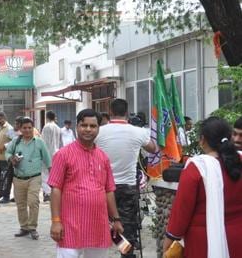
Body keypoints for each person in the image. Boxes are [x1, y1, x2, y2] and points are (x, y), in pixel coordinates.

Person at [48, 109, 124, 258]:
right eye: (84, 125)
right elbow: (55, 189)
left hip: (98, 225)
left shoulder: (103, 157)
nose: (88, 129)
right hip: (70, 226)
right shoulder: (63, 155)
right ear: (77, 126)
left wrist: (116, 219)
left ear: (98, 128)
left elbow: (108, 190)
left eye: (93, 126)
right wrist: (56, 221)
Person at [163, 117, 242, 257]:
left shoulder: (197, 168)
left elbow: (181, 212)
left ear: (202, 140)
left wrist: (170, 239)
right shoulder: (238, 161)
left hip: (204, 243)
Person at [95, 99, 157, 258]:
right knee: (128, 225)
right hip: (128, 186)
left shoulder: (99, 131)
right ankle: (126, 252)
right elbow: (153, 148)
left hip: (103, 186)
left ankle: (111, 245)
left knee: (104, 222)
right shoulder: (138, 132)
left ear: (110, 111)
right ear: (127, 111)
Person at [6, 117, 51, 239]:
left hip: (34, 178)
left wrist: (53, 175)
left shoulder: (39, 142)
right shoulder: (16, 141)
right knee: (20, 204)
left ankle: (32, 227)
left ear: (33, 128)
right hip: (18, 177)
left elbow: (48, 160)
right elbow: (7, 152)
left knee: (33, 202)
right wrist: (11, 158)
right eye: (24, 128)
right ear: (20, 129)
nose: (27, 130)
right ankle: (24, 227)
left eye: (29, 128)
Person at [0, 111, 16, 204]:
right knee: (0, 178)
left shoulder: (9, 128)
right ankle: (1, 194)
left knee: (7, 178)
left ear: (5, 119)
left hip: (6, 158)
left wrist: (5, 146)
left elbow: (15, 140)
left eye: (0, 119)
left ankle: (6, 196)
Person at [42, 111, 62, 202]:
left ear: (47, 117)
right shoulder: (58, 128)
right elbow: (61, 143)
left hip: (48, 153)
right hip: (57, 153)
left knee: (45, 173)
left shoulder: (46, 127)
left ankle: (47, 193)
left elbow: (44, 142)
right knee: (54, 174)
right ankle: (54, 192)